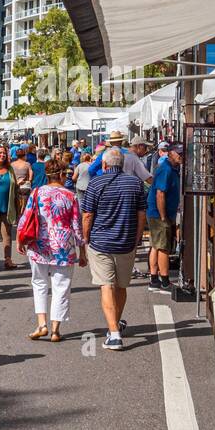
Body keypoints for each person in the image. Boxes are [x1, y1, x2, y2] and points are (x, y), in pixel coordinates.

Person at [81, 147, 147, 353]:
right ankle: (114, 325)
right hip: (126, 242)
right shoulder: (135, 183)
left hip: (101, 242)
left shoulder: (96, 183)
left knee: (106, 286)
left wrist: (85, 239)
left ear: (104, 164)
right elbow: (141, 215)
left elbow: (87, 215)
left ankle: (115, 334)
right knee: (121, 286)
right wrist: (137, 238)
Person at [17, 157, 85, 342]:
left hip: (39, 245)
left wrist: (19, 239)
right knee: (61, 287)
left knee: (39, 283)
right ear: (62, 175)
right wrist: (82, 250)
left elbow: (26, 216)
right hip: (63, 247)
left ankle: (42, 324)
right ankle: (55, 329)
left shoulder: (37, 192)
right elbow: (77, 226)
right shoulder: (70, 196)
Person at [148, 143, 183, 292]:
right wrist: (163, 217)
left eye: (182, 153)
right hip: (159, 213)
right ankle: (164, 282)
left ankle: (154, 279)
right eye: (179, 153)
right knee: (163, 247)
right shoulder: (166, 169)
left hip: (158, 213)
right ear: (170, 153)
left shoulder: (172, 168)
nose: (181, 156)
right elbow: (160, 193)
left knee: (156, 245)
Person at [87, 130, 152, 185]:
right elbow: (146, 177)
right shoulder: (131, 156)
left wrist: (100, 179)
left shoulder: (104, 154)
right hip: (128, 188)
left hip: (108, 187)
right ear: (121, 141)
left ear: (110, 142)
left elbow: (91, 169)